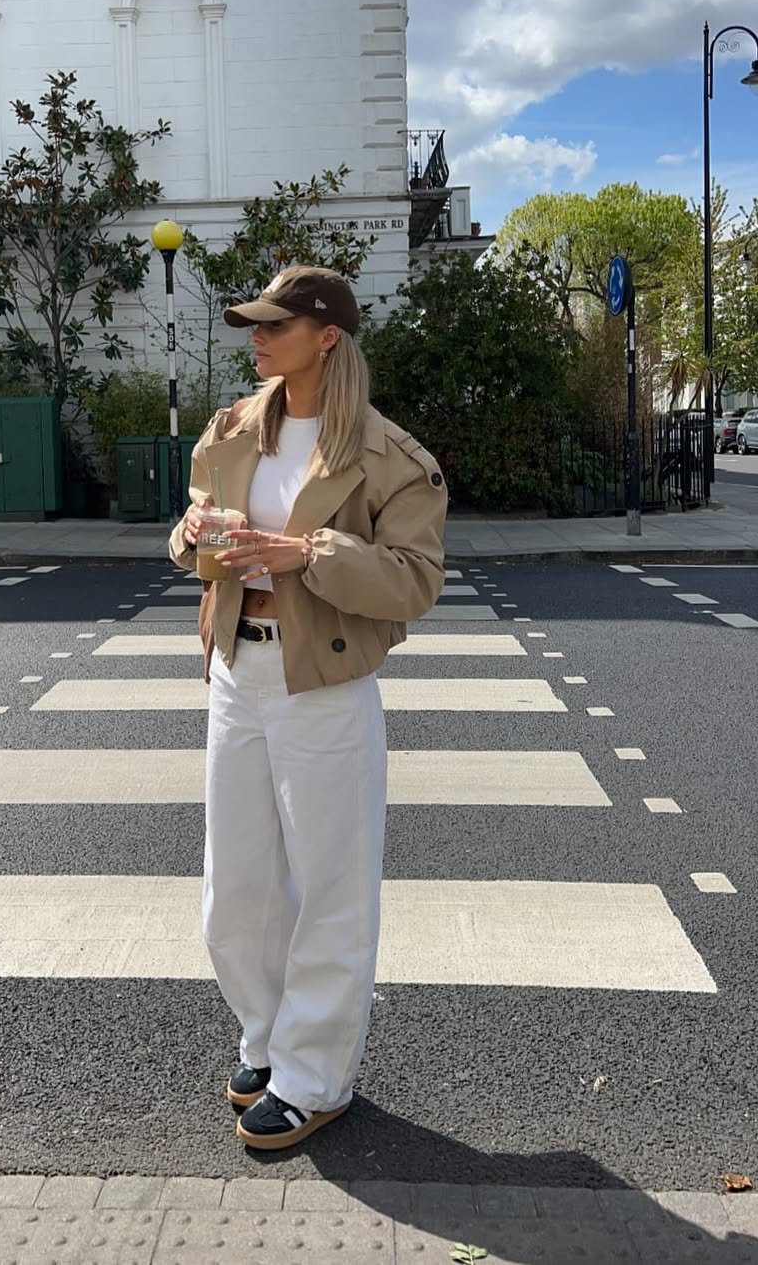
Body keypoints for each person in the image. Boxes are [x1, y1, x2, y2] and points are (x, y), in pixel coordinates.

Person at [169, 265, 447, 1150]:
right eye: (254, 325)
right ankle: (267, 1037)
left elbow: (416, 580)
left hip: (322, 683)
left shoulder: (385, 454)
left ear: (326, 337)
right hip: (236, 670)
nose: (256, 338)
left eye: (274, 326)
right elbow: (196, 524)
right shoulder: (233, 429)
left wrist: (311, 554)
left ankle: (315, 1076)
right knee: (235, 888)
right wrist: (189, 536)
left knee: (332, 886)